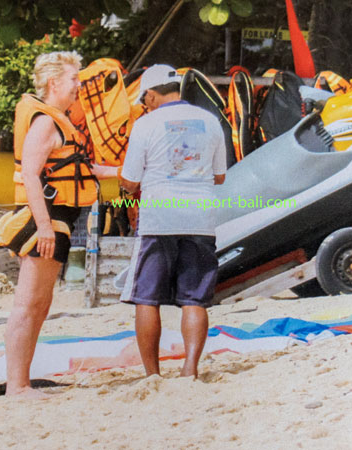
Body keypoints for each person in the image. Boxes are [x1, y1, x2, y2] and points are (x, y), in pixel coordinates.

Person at [118, 64, 227, 378]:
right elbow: (219, 176)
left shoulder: (146, 124)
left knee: (146, 297)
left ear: (151, 95)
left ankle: (152, 374)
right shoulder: (210, 120)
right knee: (195, 299)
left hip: (159, 218)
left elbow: (129, 180)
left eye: (144, 100)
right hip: (200, 218)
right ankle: (190, 369)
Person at [4, 51, 102, 398]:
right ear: (54, 83)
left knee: (41, 303)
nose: (78, 86)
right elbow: (31, 175)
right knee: (28, 302)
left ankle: (22, 381)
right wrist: (44, 227)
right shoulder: (45, 122)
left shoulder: (59, 120)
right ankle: (17, 386)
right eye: (74, 79)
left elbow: (79, 169)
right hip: (43, 221)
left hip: (56, 220)